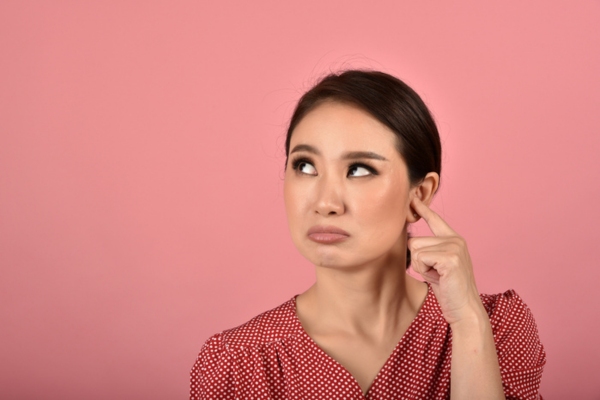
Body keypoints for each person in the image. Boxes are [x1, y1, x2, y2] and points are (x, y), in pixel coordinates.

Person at [190, 70, 546, 399]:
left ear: (418, 194)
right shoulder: (236, 363)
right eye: (305, 166)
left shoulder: (495, 329)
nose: (325, 202)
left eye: (359, 169)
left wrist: (468, 322)